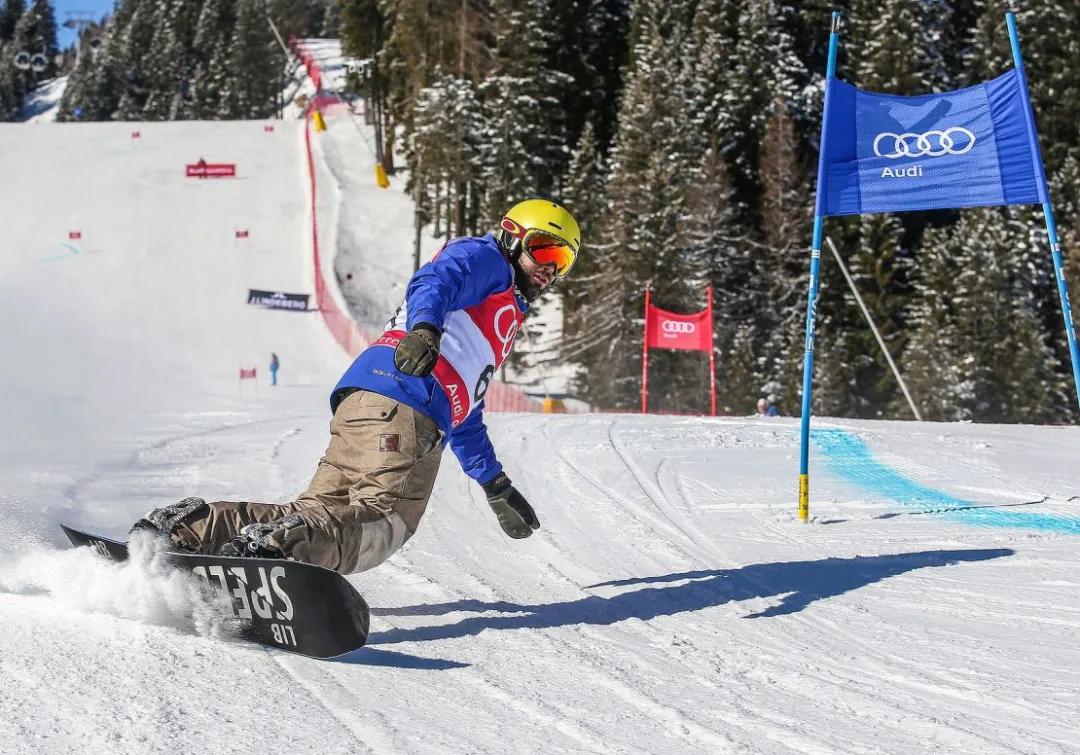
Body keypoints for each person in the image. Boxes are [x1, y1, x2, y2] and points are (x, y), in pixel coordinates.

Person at [130, 199, 581, 575]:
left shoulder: (500, 311)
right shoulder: (487, 260)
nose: (549, 268)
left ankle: (191, 529)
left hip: (368, 401)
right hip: (407, 407)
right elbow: (435, 280)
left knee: (319, 511)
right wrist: (424, 330)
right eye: (543, 250)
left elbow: (466, 404)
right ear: (511, 236)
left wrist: (494, 482)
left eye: (562, 261)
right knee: (387, 522)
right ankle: (278, 554)